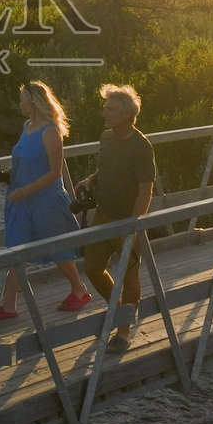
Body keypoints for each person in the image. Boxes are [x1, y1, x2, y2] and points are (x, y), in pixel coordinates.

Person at [0, 81, 92, 319]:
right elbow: (26, 157)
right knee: (17, 250)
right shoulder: (27, 126)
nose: (19, 103)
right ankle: (9, 304)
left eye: (22, 99)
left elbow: (55, 172)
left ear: (33, 102)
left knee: (57, 249)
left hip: (45, 201)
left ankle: (79, 289)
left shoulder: (50, 131)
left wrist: (27, 189)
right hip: (22, 200)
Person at [77, 83, 155, 354]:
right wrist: (91, 179)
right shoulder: (106, 138)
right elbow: (105, 167)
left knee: (129, 276)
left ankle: (123, 331)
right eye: (105, 107)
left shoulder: (141, 146)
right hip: (104, 215)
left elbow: (146, 190)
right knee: (92, 267)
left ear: (126, 114)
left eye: (109, 109)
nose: (104, 113)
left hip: (127, 220)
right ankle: (120, 310)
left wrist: (133, 226)